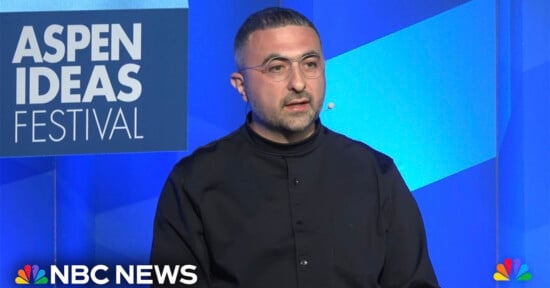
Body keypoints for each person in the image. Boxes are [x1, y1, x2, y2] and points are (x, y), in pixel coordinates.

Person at [151, 7, 439, 288]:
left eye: (310, 64)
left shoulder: (376, 173)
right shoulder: (194, 181)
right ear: (241, 86)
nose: (299, 83)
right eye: (277, 68)